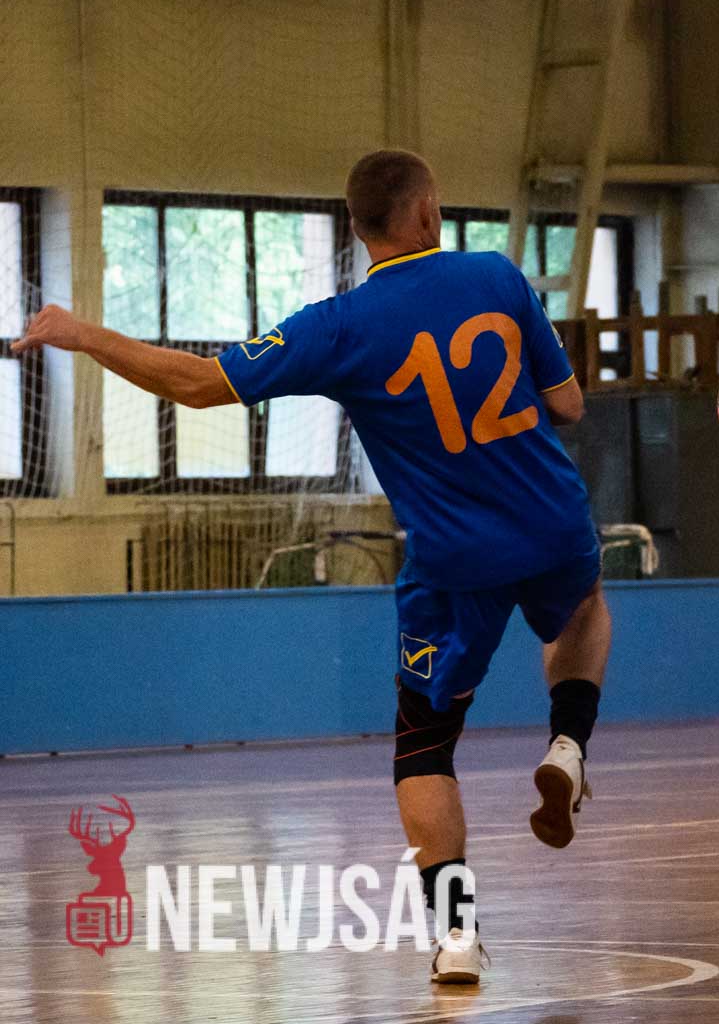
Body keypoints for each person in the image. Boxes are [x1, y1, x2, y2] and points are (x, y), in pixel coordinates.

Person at [16, 149, 611, 982]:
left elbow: (199, 385)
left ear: (359, 230)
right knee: (582, 612)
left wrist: (82, 333)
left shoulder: (337, 327)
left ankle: (457, 935)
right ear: (429, 212)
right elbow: (570, 404)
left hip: (453, 558)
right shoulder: (497, 276)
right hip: (551, 521)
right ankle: (568, 744)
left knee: (424, 746)